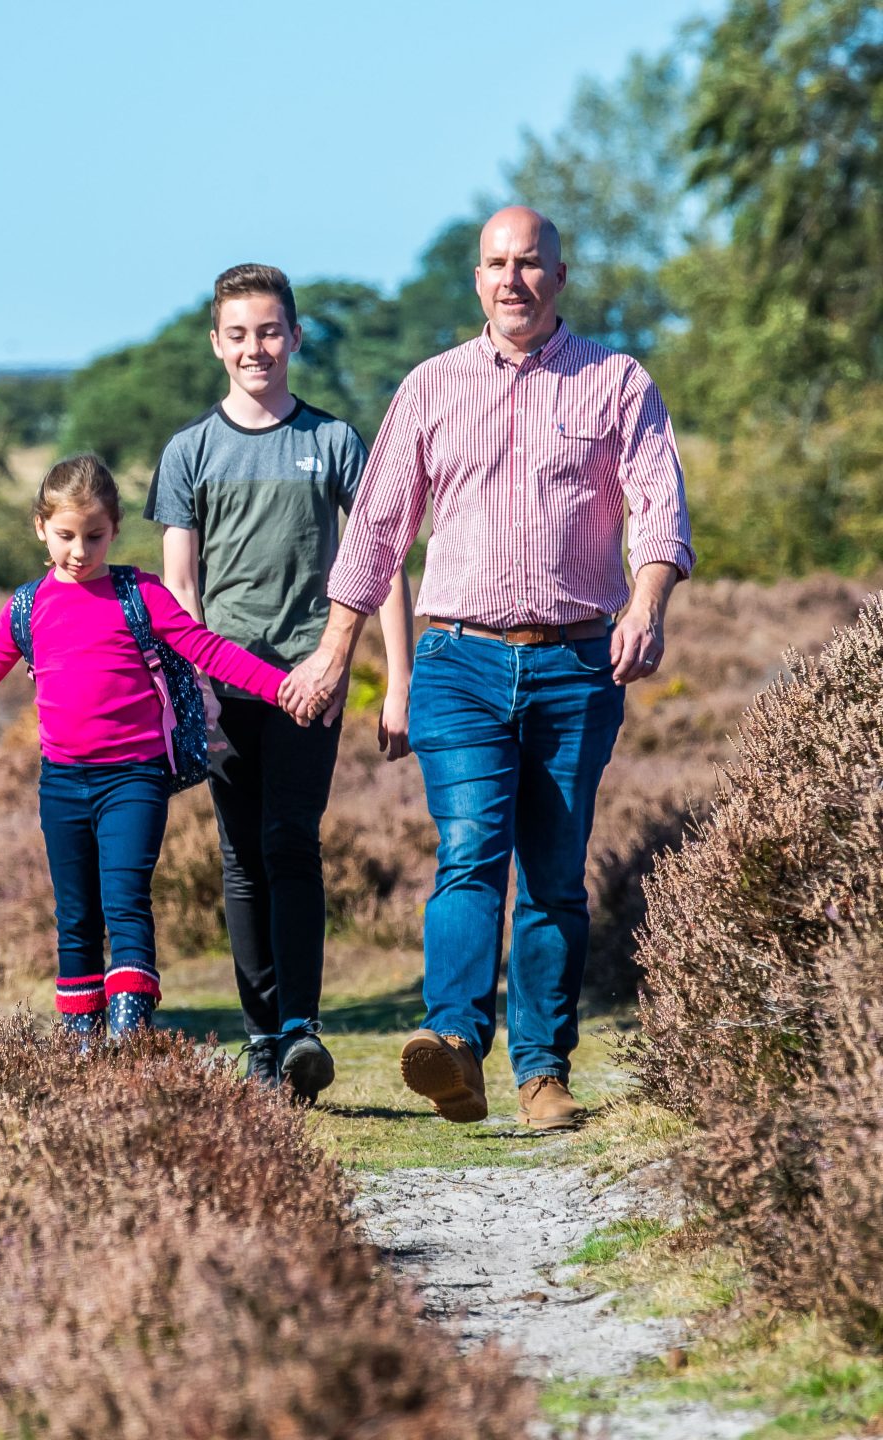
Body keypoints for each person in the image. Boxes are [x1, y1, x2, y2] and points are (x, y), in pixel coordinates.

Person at [280, 207, 694, 1132]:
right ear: (477, 279)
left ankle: (543, 1072)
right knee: (469, 853)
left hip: (576, 663)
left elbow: (659, 508)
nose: (512, 280)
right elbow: (379, 529)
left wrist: (647, 605)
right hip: (457, 662)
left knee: (553, 873)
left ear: (559, 276)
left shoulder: (617, 384)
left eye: (530, 264)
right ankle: (455, 1042)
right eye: (497, 265)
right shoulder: (430, 388)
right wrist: (337, 651)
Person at [0, 456, 314, 1038]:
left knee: (126, 901)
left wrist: (282, 688)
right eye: (65, 536)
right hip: (61, 783)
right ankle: (83, 1050)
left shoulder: (143, 594)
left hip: (134, 779)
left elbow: (210, 650)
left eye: (95, 536)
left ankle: (128, 1039)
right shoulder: (26, 607)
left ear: (114, 529)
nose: (80, 551)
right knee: (75, 918)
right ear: (40, 528)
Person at [146, 263, 414, 1103]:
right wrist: (196, 693)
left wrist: (393, 680)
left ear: (294, 337)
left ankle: (302, 1029)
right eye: (239, 334)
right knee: (240, 859)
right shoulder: (188, 452)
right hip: (222, 685)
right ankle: (262, 1039)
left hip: (313, 677)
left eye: (270, 331)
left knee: (292, 841)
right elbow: (180, 593)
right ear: (216, 344)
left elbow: (384, 564)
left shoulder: (333, 443)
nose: (255, 348)